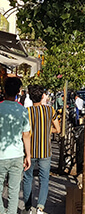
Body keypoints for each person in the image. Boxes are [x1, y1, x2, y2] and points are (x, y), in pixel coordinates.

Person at [23, 85, 60, 214]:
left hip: (30, 151)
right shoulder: (51, 111)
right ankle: (40, 208)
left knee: (28, 178)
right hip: (45, 151)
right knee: (44, 179)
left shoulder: (26, 112)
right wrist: (47, 130)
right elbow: (58, 129)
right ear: (43, 96)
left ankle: (28, 208)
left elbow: (23, 131)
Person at [0, 76, 31, 214]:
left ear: (3, 90)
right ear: (18, 92)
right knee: (14, 190)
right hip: (17, 154)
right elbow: (26, 135)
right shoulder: (22, 111)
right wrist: (28, 155)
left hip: (1, 154)